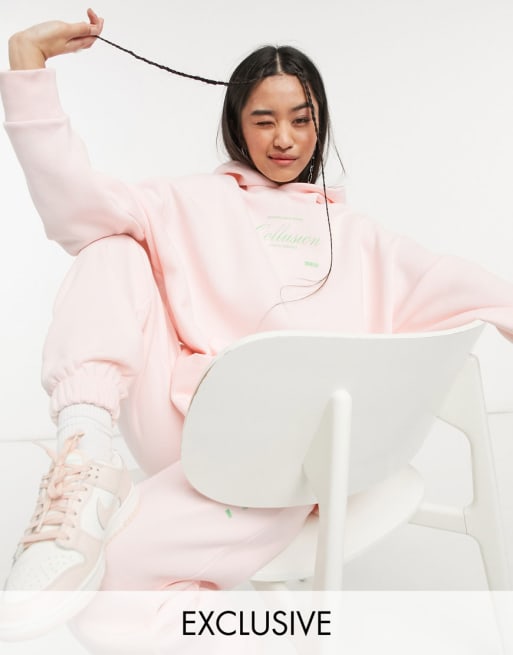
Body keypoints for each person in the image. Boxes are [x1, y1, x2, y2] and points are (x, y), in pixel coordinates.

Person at [1, 7, 513, 639]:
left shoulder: (358, 236)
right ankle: (83, 458)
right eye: (264, 120)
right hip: (184, 424)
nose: (284, 139)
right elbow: (75, 207)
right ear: (238, 127)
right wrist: (27, 65)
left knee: (106, 602)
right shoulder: (189, 200)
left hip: (286, 463)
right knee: (110, 244)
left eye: (301, 119)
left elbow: (459, 282)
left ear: (320, 124)